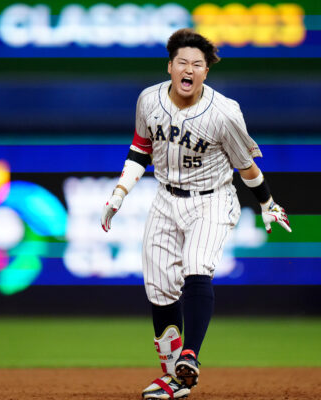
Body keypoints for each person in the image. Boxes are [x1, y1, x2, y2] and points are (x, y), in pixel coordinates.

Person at [101, 28, 291, 400]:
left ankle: (191, 356)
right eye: (183, 62)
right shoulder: (148, 100)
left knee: (197, 266)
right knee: (158, 291)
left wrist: (267, 202)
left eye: (197, 64)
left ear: (206, 72)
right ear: (170, 66)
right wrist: (120, 192)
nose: (189, 69)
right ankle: (176, 379)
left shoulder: (224, 112)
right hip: (165, 198)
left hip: (212, 199)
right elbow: (140, 150)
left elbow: (246, 167)